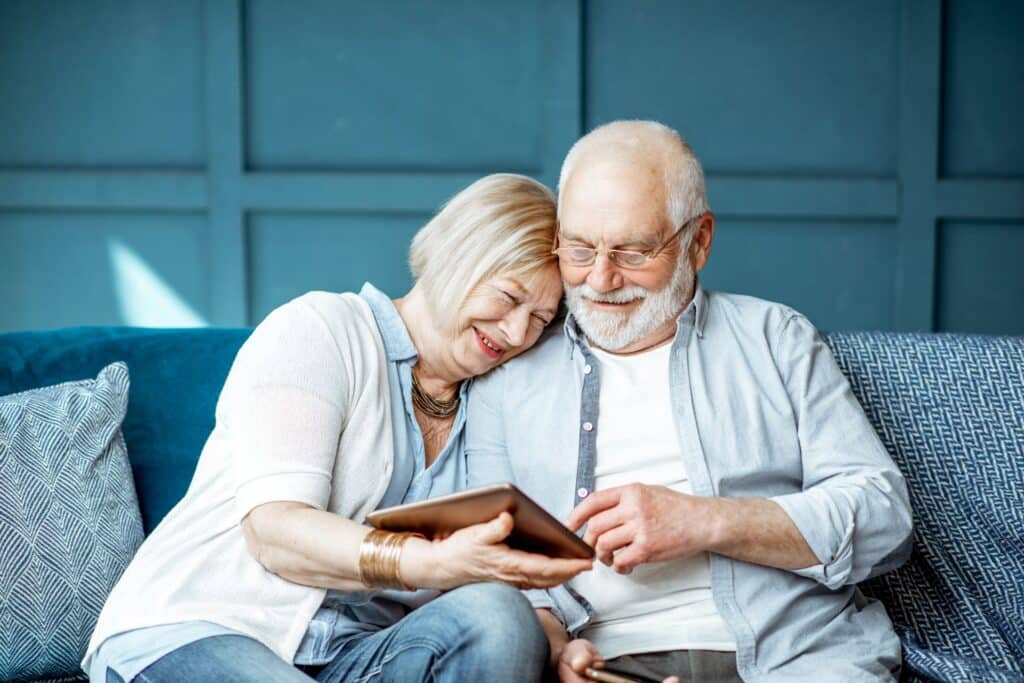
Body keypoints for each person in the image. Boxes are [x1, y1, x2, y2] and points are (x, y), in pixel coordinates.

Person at [83, 173, 593, 683]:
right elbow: (275, 532)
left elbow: (512, 577)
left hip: (355, 657)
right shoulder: (320, 328)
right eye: (508, 297)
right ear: (456, 254)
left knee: (499, 618)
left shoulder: (490, 406)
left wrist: (555, 647)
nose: (516, 332)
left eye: (540, 319)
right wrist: (428, 562)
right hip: (205, 625)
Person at [467, 121, 914, 682]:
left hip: (796, 657)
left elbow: (883, 517)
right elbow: (493, 558)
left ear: (698, 241)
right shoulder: (508, 376)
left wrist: (705, 521)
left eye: (632, 251)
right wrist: (554, 644)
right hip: (610, 667)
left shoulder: (776, 338)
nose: (601, 280)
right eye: (580, 249)